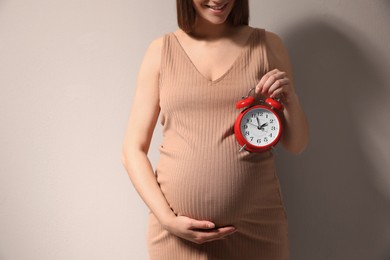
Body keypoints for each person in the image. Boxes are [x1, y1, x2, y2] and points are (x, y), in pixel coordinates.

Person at [121, 0, 308, 259]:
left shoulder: (267, 46)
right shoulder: (160, 51)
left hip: (257, 232)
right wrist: (167, 219)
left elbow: (296, 144)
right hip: (175, 238)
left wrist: (291, 100)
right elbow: (133, 148)